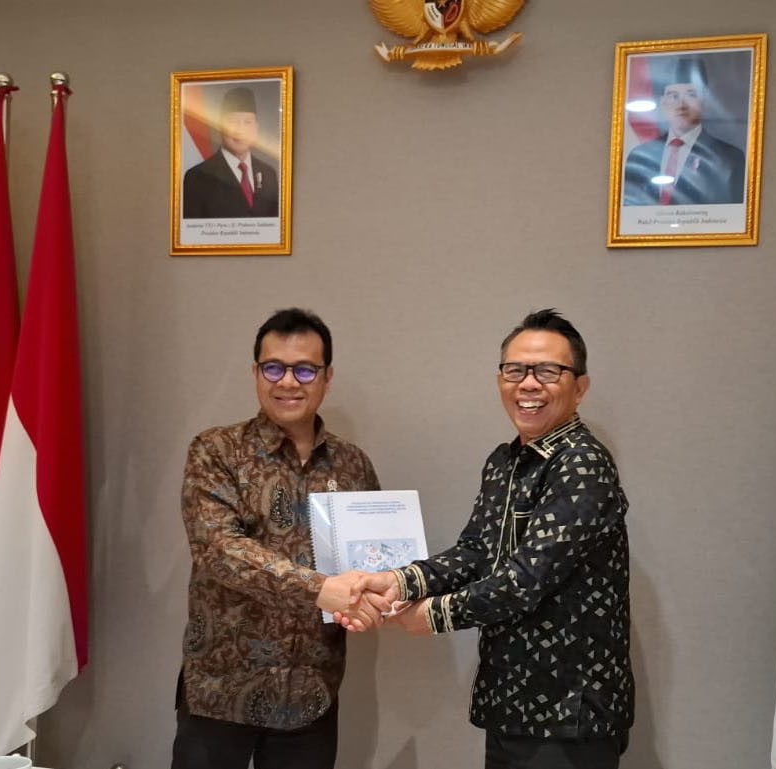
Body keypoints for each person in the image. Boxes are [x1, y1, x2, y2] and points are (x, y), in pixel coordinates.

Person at [341, 309, 635, 769]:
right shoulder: (504, 461)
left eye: (548, 371)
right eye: (515, 370)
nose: (528, 384)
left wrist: (431, 616)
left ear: (580, 387)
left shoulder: (583, 464)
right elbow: (476, 552)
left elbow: (526, 579)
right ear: (500, 379)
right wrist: (399, 581)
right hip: (510, 702)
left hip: (569, 711)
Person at [171, 308, 386, 769]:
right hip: (220, 690)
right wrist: (320, 589)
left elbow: (372, 557)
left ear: (327, 378)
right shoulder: (216, 451)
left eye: (305, 369)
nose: (288, 381)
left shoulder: (352, 465)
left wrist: (387, 594)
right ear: (256, 373)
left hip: (310, 694)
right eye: (274, 368)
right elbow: (220, 551)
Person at [621, 55, 746, 207]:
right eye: (673, 96)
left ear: (704, 101)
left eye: (691, 94)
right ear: (663, 103)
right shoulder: (639, 156)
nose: (681, 105)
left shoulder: (729, 159)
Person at [182, 86, 280, 219]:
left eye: (247, 122)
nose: (240, 130)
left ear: (256, 128)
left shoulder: (268, 174)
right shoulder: (197, 177)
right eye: (232, 122)